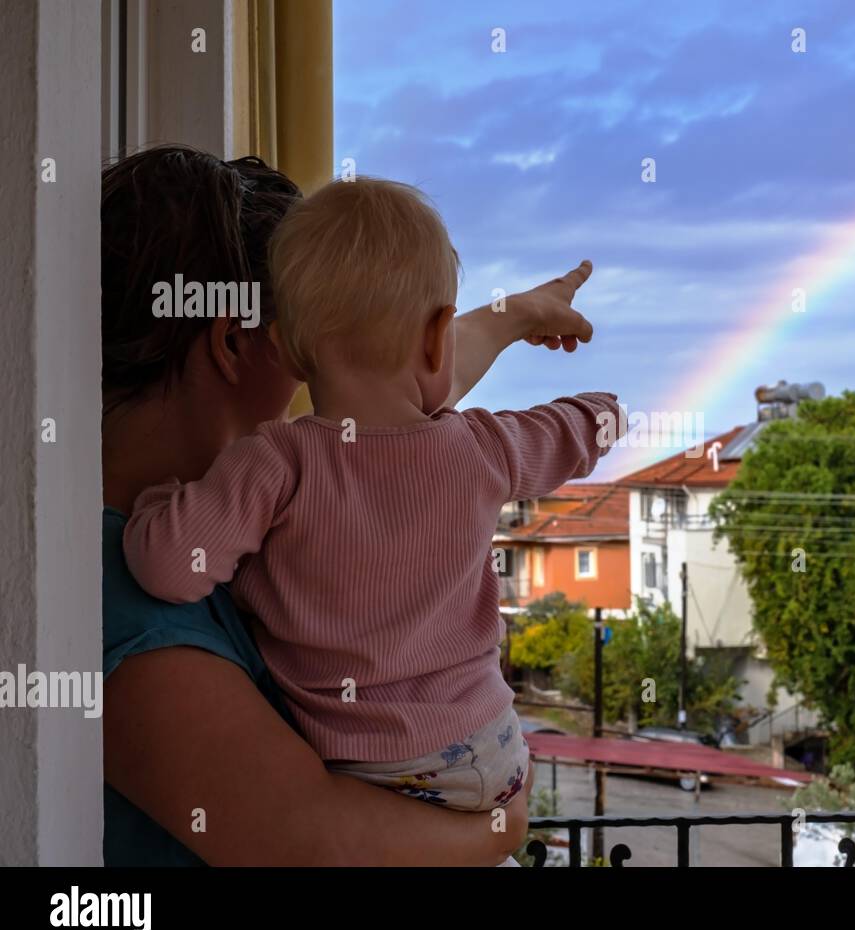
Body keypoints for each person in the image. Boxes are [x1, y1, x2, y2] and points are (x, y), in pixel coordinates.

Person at [102, 145, 593, 864]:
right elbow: (310, 840)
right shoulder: (127, 613)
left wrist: (512, 315)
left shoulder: (237, 496)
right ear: (239, 342)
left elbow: (389, 388)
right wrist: (502, 822)